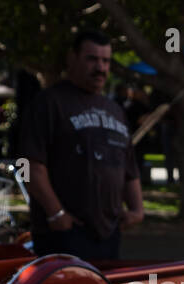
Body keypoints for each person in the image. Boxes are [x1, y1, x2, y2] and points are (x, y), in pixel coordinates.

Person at [20, 28, 143, 260]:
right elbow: (29, 165)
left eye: (105, 61)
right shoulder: (48, 103)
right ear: (72, 58)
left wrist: (137, 210)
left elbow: (129, 167)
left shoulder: (115, 110)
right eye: (92, 59)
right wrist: (56, 214)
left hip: (109, 233)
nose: (100, 67)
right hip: (63, 233)